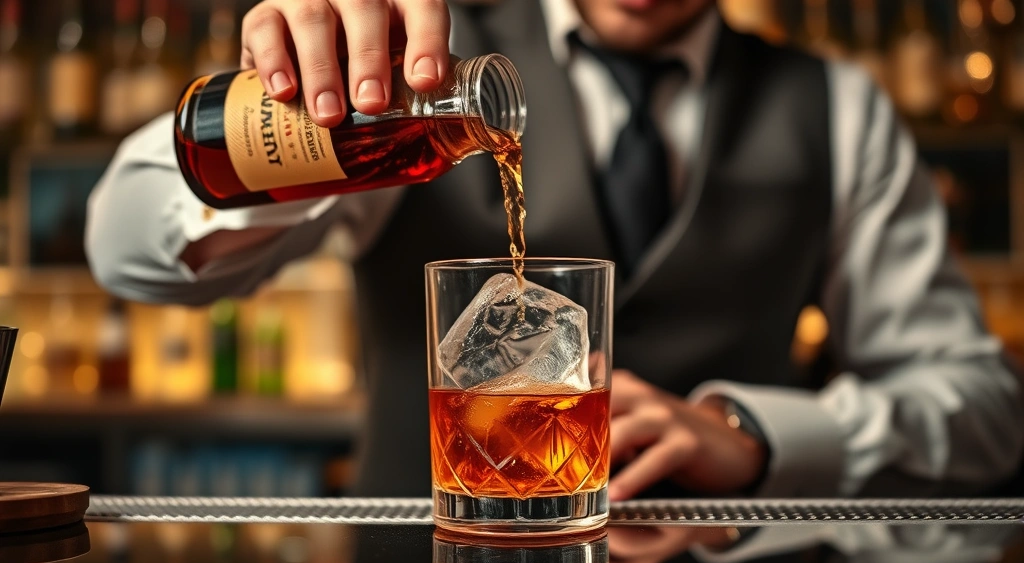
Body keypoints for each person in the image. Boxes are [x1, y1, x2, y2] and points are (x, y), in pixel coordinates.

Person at [85, 0, 1024, 500]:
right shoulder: (415, 64)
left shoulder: (840, 107)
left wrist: (760, 436)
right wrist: (289, 104)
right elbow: (124, 250)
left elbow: (985, 411)